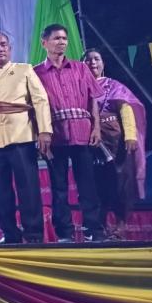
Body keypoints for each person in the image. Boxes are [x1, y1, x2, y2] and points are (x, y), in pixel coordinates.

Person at [0, 32, 52, 244]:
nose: (0, 48)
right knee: (0, 192)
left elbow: (40, 100)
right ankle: (10, 234)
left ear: (10, 49)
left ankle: (34, 235)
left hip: (22, 138)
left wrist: (44, 131)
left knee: (29, 188)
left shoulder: (24, 70)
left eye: (3, 45)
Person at [34, 24, 104, 241]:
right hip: (55, 135)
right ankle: (64, 232)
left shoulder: (80, 68)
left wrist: (96, 127)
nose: (62, 42)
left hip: (83, 132)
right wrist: (40, 135)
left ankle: (94, 229)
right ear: (44, 43)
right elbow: (34, 107)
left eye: (64, 38)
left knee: (88, 184)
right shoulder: (35, 73)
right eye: (56, 38)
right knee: (59, 186)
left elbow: (93, 99)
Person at [83, 49, 146, 238]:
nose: (92, 63)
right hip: (91, 143)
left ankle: (120, 225)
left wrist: (130, 136)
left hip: (116, 143)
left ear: (103, 63)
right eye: (88, 60)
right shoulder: (80, 87)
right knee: (96, 185)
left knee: (120, 183)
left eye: (96, 59)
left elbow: (126, 110)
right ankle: (99, 227)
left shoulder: (113, 86)